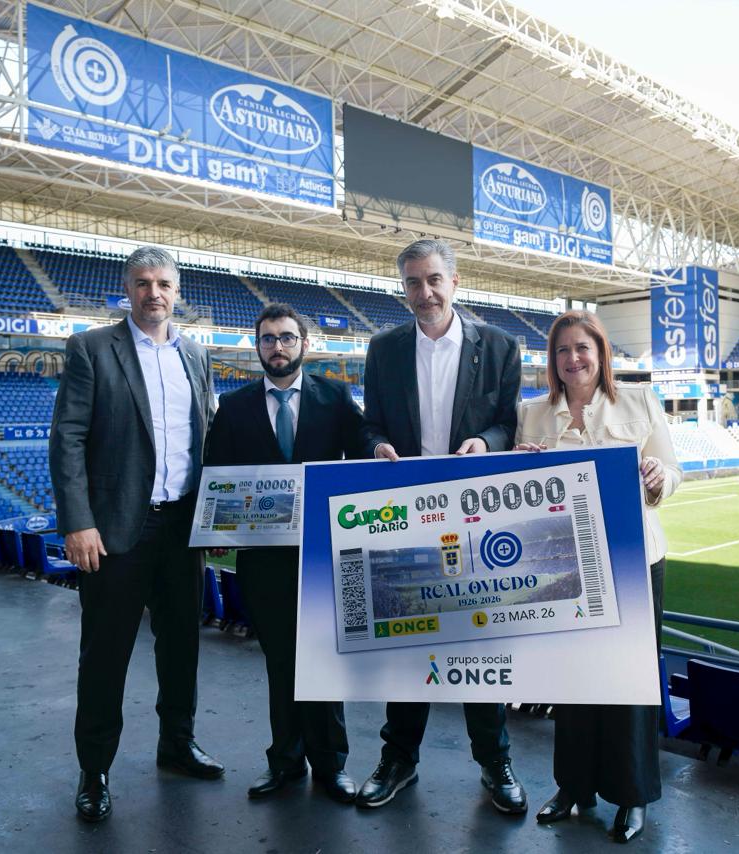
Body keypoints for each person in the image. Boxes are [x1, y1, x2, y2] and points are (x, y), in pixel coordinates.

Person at [49, 245, 222, 824]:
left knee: (182, 648)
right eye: (143, 283)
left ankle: (177, 743)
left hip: (183, 526)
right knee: (105, 655)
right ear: (128, 289)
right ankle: (94, 770)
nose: (154, 293)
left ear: (178, 291)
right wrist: (77, 521)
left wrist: (218, 519)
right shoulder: (93, 348)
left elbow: (208, 440)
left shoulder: (196, 355)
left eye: (164, 284)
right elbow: (67, 438)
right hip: (117, 528)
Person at [356, 238, 526, 814]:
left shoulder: (500, 347)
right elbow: (370, 422)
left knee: (478, 641)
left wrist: (487, 442)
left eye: (433, 280)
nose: (423, 293)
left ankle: (494, 761)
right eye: (412, 283)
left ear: (454, 282)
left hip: (474, 518)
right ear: (402, 287)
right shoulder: (383, 350)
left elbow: (508, 424)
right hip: (405, 518)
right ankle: (398, 758)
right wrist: (376, 443)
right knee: (410, 645)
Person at [514, 309, 680, 844]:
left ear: (601, 352)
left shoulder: (638, 400)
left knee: (631, 684)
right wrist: (518, 468)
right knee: (573, 680)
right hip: (567, 565)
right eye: (562, 350)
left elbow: (673, 474)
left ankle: (632, 797)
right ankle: (573, 788)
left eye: (582, 348)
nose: (572, 359)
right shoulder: (532, 414)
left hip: (633, 561)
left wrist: (659, 477)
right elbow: (521, 495)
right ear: (552, 360)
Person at [204, 304, 364, 804]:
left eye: (287, 338)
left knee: (322, 660)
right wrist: (216, 530)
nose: (278, 347)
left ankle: (332, 765)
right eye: (269, 339)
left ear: (304, 346)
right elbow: (216, 474)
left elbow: (361, 458)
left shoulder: (335, 396)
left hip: (322, 554)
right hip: (264, 559)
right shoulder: (233, 406)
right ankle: (286, 761)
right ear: (257, 347)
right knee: (279, 662)